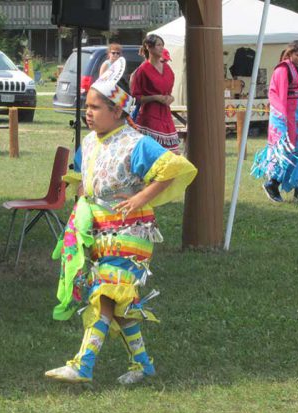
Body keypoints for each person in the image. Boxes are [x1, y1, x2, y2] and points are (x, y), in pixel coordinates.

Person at [45, 57, 197, 385]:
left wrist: (142, 197)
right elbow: (84, 180)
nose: (88, 112)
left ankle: (83, 364)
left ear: (117, 110)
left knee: (106, 295)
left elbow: (173, 168)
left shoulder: (135, 142)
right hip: (99, 231)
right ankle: (143, 366)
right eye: (87, 106)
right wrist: (80, 215)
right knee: (119, 301)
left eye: (96, 107)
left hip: (131, 232)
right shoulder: (87, 143)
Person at [252, 40, 298, 204]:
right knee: (286, 151)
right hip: (285, 114)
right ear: (290, 54)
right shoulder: (282, 70)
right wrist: (283, 121)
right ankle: (273, 183)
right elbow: (277, 97)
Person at [130, 35, 181, 154]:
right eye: (158, 45)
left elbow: (169, 91)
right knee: (155, 154)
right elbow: (136, 97)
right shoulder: (142, 70)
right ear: (148, 47)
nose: (161, 48)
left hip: (166, 115)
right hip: (149, 116)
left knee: (173, 153)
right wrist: (155, 97)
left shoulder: (167, 68)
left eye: (162, 45)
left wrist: (170, 98)